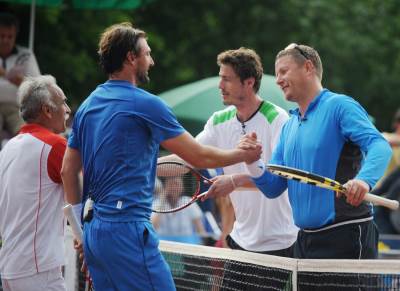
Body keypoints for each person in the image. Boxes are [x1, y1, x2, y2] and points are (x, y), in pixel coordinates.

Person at [60, 22, 261, 291]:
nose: (151, 61)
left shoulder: (87, 105)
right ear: (131, 58)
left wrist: (80, 234)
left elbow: (67, 172)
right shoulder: (147, 104)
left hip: (93, 230)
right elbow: (198, 156)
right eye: (147, 53)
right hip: (127, 230)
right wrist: (241, 154)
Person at [207, 43, 392, 260]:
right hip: (304, 240)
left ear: (308, 67)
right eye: (277, 74)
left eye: (283, 71)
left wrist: (363, 181)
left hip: (347, 234)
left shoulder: (340, 106)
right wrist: (252, 162)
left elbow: (379, 145)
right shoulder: (290, 125)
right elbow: (273, 187)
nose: (277, 80)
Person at [195, 47, 298, 256]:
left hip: (282, 242)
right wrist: (146, 166)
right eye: (220, 78)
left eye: (227, 79)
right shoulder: (218, 121)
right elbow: (189, 156)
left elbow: (282, 179)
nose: (220, 85)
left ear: (249, 82)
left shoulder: (278, 119)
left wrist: (234, 181)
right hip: (240, 240)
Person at [0, 75, 71, 290]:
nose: (67, 109)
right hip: (36, 269)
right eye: (63, 103)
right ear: (47, 110)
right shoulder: (55, 144)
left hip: (11, 266)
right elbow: (87, 184)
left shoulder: (8, 147)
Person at [0, 12, 40, 142]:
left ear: (15, 36)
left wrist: (23, 82)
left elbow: (39, 86)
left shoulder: (26, 55)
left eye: (9, 36)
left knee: (26, 136)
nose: (5, 40)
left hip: (17, 108)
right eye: (2, 36)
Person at [152, 177, 206, 241]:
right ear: (165, 187)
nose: (174, 187)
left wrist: (202, 245)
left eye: (176, 184)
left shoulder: (189, 201)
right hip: (163, 243)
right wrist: (162, 199)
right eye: (171, 184)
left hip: (186, 243)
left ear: (182, 187)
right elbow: (153, 227)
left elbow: (200, 229)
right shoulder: (157, 203)